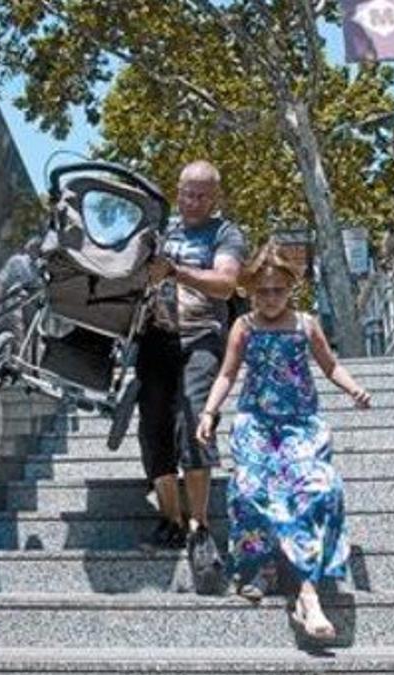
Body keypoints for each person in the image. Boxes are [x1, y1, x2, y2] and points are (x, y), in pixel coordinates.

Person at [195, 242, 369, 639]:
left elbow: (331, 366)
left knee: (319, 488)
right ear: (249, 291)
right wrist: (209, 413)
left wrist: (354, 390)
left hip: (300, 424)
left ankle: (308, 590)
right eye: (262, 291)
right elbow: (226, 374)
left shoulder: (306, 324)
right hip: (256, 423)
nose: (271, 298)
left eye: (278, 290)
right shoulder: (244, 327)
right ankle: (262, 567)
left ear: (292, 287)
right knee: (248, 487)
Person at [138, 160, 247, 592]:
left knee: (196, 426)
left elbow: (226, 284)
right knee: (153, 429)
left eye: (202, 195)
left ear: (215, 197)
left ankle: (200, 526)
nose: (193, 201)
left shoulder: (225, 234)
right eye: (187, 193)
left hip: (202, 336)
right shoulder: (162, 233)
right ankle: (171, 519)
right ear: (177, 191)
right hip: (155, 336)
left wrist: (177, 272)